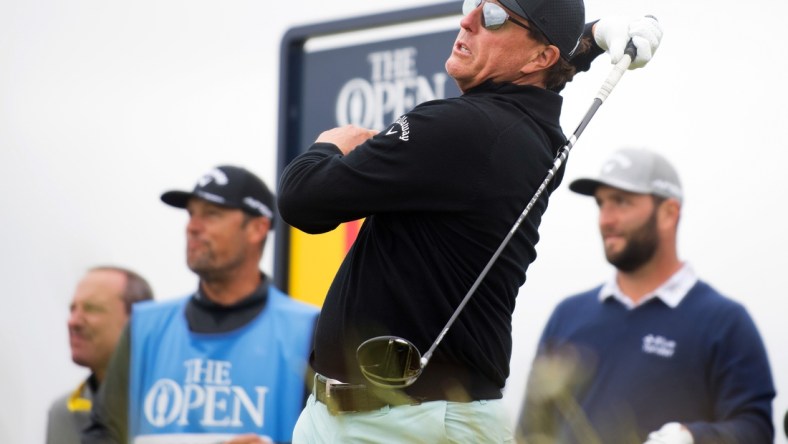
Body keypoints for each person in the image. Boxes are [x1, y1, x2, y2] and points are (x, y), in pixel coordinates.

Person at [276, 0, 663, 440]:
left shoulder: (458, 127)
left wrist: (329, 146)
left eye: (494, 17)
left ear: (540, 58)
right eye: (473, 4)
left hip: (406, 423)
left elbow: (302, 199)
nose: (468, 21)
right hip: (375, 417)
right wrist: (594, 36)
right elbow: (549, 62)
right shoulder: (525, 127)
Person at [516, 148, 776, 444]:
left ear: (668, 213)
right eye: (601, 204)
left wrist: (691, 437)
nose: (606, 219)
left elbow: (756, 430)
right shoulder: (568, 314)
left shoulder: (725, 322)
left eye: (621, 202)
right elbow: (532, 430)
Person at [82, 165, 320, 444]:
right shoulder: (144, 327)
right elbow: (102, 435)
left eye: (211, 214)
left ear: (257, 228)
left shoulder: (306, 330)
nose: (192, 227)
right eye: (192, 214)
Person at [46, 266, 153, 444]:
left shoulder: (171, 409)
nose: (73, 321)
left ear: (137, 321)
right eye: (73, 309)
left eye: (91, 308)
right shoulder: (62, 414)